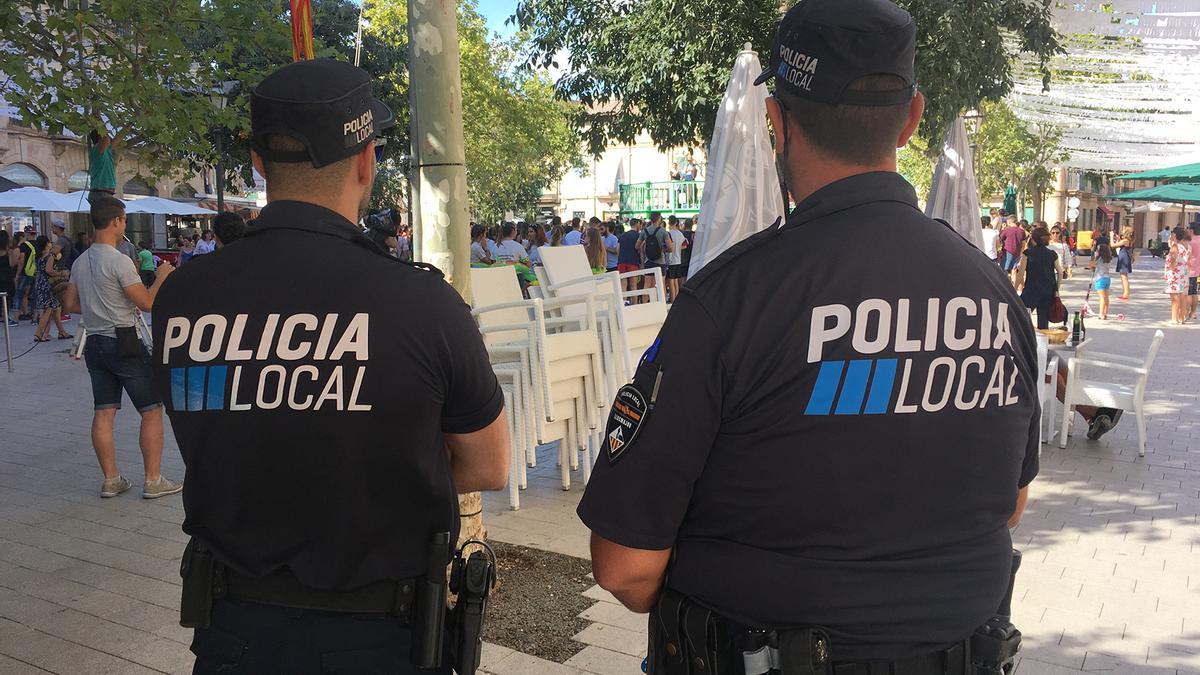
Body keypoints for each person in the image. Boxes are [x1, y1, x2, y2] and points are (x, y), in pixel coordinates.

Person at [578, 2, 1038, 672]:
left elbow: (623, 566)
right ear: (910, 120)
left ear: (775, 121)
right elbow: (1011, 504)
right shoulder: (998, 297)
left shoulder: (728, 301)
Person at [150, 59, 509, 674]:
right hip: (381, 637)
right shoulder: (421, 303)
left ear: (258, 162)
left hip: (232, 634)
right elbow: (488, 464)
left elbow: (212, 419)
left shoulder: (184, 297)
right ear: (367, 161)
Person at [61, 196, 182, 499]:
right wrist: (163, 276)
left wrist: (97, 306)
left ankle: (111, 479)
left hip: (95, 342)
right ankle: (153, 480)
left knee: (104, 410)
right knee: (151, 409)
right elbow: (148, 302)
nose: (125, 225)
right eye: (125, 220)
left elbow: (71, 304)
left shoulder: (80, 261)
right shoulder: (119, 261)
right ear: (115, 221)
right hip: (125, 340)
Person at [1016, 226, 1064, 329]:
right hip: (1048, 290)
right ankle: (1043, 343)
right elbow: (1060, 272)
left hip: (1031, 289)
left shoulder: (1027, 253)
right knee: (1043, 321)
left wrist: (1014, 288)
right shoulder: (1052, 254)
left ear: (1033, 239)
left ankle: (1027, 340)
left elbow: (1020, 273)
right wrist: (1057, 289)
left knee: (1022, 315)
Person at [31, 238, 71, 342]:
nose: (51, 244)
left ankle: (62, 332)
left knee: (56, 308)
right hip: (48, 284)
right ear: (46, 244)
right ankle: (38, 333)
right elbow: (49, 270)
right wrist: (62, 273)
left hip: (39, 282)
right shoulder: (50, 256)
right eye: (49, 242)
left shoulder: (38, 256)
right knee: (48, 309)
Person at [636, 211, 670, 296]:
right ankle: (662, 305)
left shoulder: (644, 231)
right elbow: (670, 247)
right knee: (661, 285)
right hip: (660, 261)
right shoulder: (663, 231)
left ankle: (645, 304)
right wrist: (663, 249)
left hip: (648, 261)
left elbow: (637, 246)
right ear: (659, 219)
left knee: (647, 285)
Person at [1165, 226, 1192, 325]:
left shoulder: (1175, 246)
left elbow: (1173, 260)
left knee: (1174, 297)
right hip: (1184, 273)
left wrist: (1170, 267)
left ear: (1174, 235)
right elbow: (1188, 259)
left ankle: (1174, 318)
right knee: (1183, 296)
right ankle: (1182, 317)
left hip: (1175, 274)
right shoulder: (1186, 246)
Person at [87, 130, 118, 203]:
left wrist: (129, 126)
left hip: (103, 193)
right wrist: (100, 124)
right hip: (100, 193)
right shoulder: (97, 150)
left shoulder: (107, 150)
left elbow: (117, 138)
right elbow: (106, 139)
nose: (108, 138)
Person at [617, 218, 643, 300]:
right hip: (633, 261)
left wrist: (619, 259)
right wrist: (642, 263)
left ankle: (623, 303)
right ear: (637, 224)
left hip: (621, 261)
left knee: (623, 284)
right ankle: (634, 304)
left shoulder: (623, 235)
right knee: (633, 285)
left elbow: (618, 249)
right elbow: (641, 250)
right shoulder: (638, 236)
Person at [16, 228, 37, 321]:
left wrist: (17, 274)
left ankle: (21, 314)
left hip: (27, 273)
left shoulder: (24, 245)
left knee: (22, 294)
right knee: (35, 294)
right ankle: (34, 315)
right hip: (37, 273)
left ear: (26, 234)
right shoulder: (39, 244)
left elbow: (21, 261)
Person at [1089, 243, 1114, 320]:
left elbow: (1091, 265)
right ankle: (1105, 313)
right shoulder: (1109, 259)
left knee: (1102, 298)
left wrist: (1093, 255)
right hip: (1107, 278)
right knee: (1106, 297)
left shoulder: (1099, 259)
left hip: (1100, 279)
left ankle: (1101, 314)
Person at [665, 217, 686, 302]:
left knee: (671, 281)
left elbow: (669, 246)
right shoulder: (680, 234)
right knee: (676, 281)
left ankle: (673, 299)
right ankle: (677, 298)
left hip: (671, 260)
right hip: (678, 259)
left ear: (669, 223)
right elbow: (685, 245)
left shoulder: (669, 234)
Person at [999, 216, 1026, 283]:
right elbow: (1023, 244)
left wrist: (1002, 228)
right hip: (1018, 252)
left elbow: (1001, 239)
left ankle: (1008, 285)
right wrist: (1021, 253)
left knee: (1006, 270)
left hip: (1008, 251)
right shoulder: (1022, 231)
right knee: (1014, 270)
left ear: (1009, 222)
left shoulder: (1007, 230)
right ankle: (1015, 286)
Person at [0, 231, 16, 325]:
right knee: (7, 299)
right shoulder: (9, 251)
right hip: (6, 277)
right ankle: (6, 317)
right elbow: (12, 264)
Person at [1114, 226, 1134, 300]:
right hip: (1123, 257)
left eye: (1123, 230)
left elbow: (1113, 245)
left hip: (1124, 258)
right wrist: (1118, 239)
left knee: (1124, 277)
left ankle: (1126, 294)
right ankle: (1125, 293)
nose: (1121, 231)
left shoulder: (1125, 240)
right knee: (1123, 276)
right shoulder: (1126, 240)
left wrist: (1111, 237)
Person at [1188, 222, 1200, 321]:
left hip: (1190, 269)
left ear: (1192, 230)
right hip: (1198, 270)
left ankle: (1187, 311)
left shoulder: (1190, 242)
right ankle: (1193, 312)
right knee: (1194, 292)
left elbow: (1187, 255)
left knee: (1188, 293)